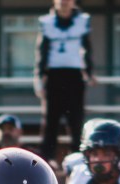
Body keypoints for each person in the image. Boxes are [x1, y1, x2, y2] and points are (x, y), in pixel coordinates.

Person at [35, 0, 96, 165]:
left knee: (75, 120)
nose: (64, 2)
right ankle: (47, 160)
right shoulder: (46, 22)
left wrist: (90, 72)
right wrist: (39, 77)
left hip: (74, 75)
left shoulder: (82, 20)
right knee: (51, 121)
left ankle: (78, 159)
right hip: (54, 75)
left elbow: (87, 48)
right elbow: (42, 52)